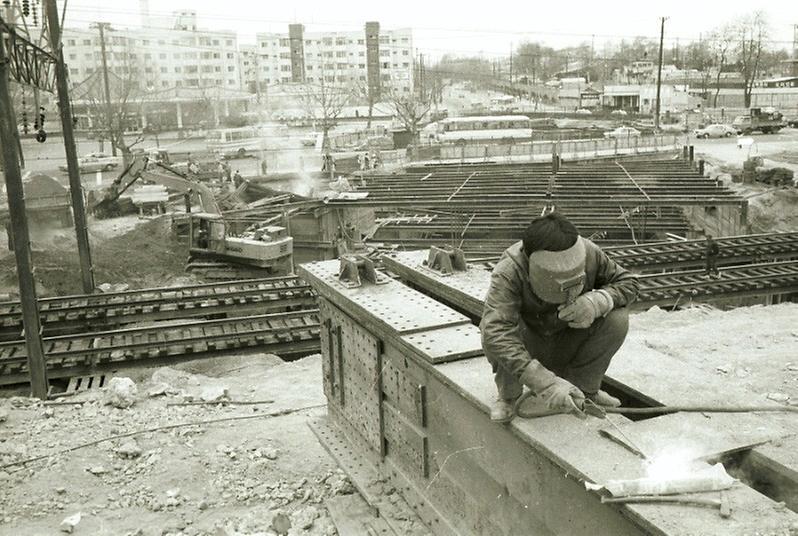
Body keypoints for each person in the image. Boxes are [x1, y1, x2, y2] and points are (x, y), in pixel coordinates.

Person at [480, 212, 640, 423]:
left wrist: (598, 301)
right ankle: (508, 396)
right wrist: (545, 383)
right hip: (529, 346)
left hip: (566, 338)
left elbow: (629, 283)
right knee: (496, 331)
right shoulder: (509, 271)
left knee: (617, 318)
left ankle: (585, 391)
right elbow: (496, 332)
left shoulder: (590, 253)